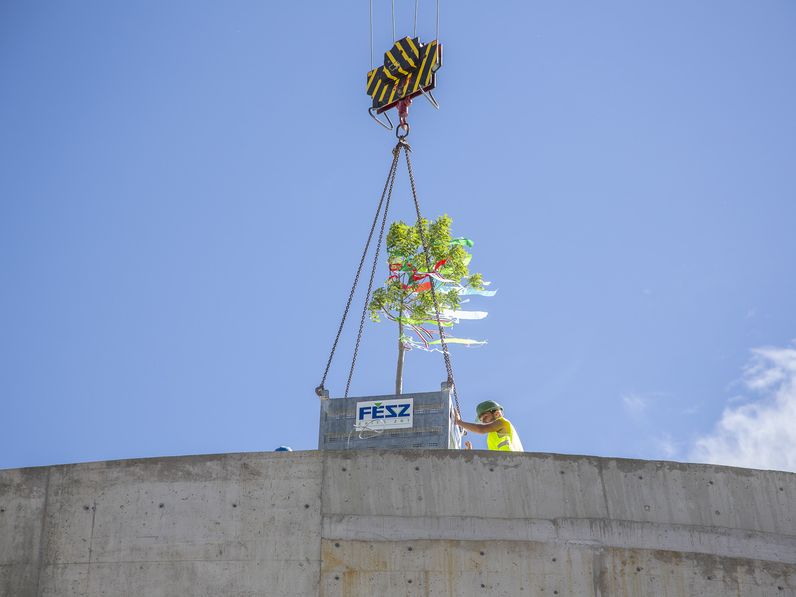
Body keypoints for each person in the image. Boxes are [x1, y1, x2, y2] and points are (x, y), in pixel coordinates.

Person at [454, 400, 524, 452]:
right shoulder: (492, 436)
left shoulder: (502, 422)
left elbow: (480, 429)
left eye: (485, 417)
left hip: (510, 462)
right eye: (481, 420)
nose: (484, 422)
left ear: (496, 414)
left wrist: (459, 422)